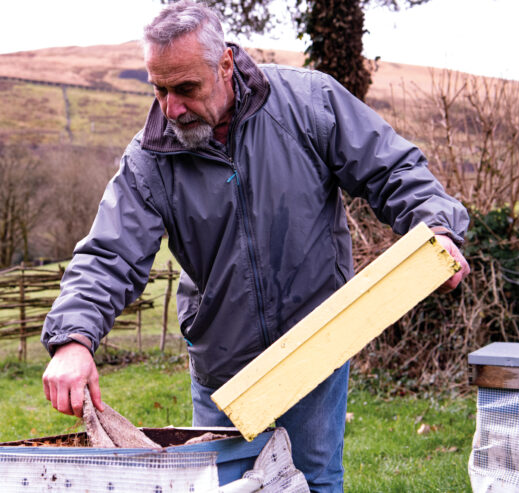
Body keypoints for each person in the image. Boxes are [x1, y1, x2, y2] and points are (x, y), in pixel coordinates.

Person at [41, 1, 470, 491]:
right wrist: (74, 338)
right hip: (223, 362)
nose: (170, 108)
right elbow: (109, 255)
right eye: (158, 89)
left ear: (224, 65)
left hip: (316, 340)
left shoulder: (309, 102)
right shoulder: (149, 159)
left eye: (186, 88)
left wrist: (435, 226)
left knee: (314, 481)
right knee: (234, 487)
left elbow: (392, 168)